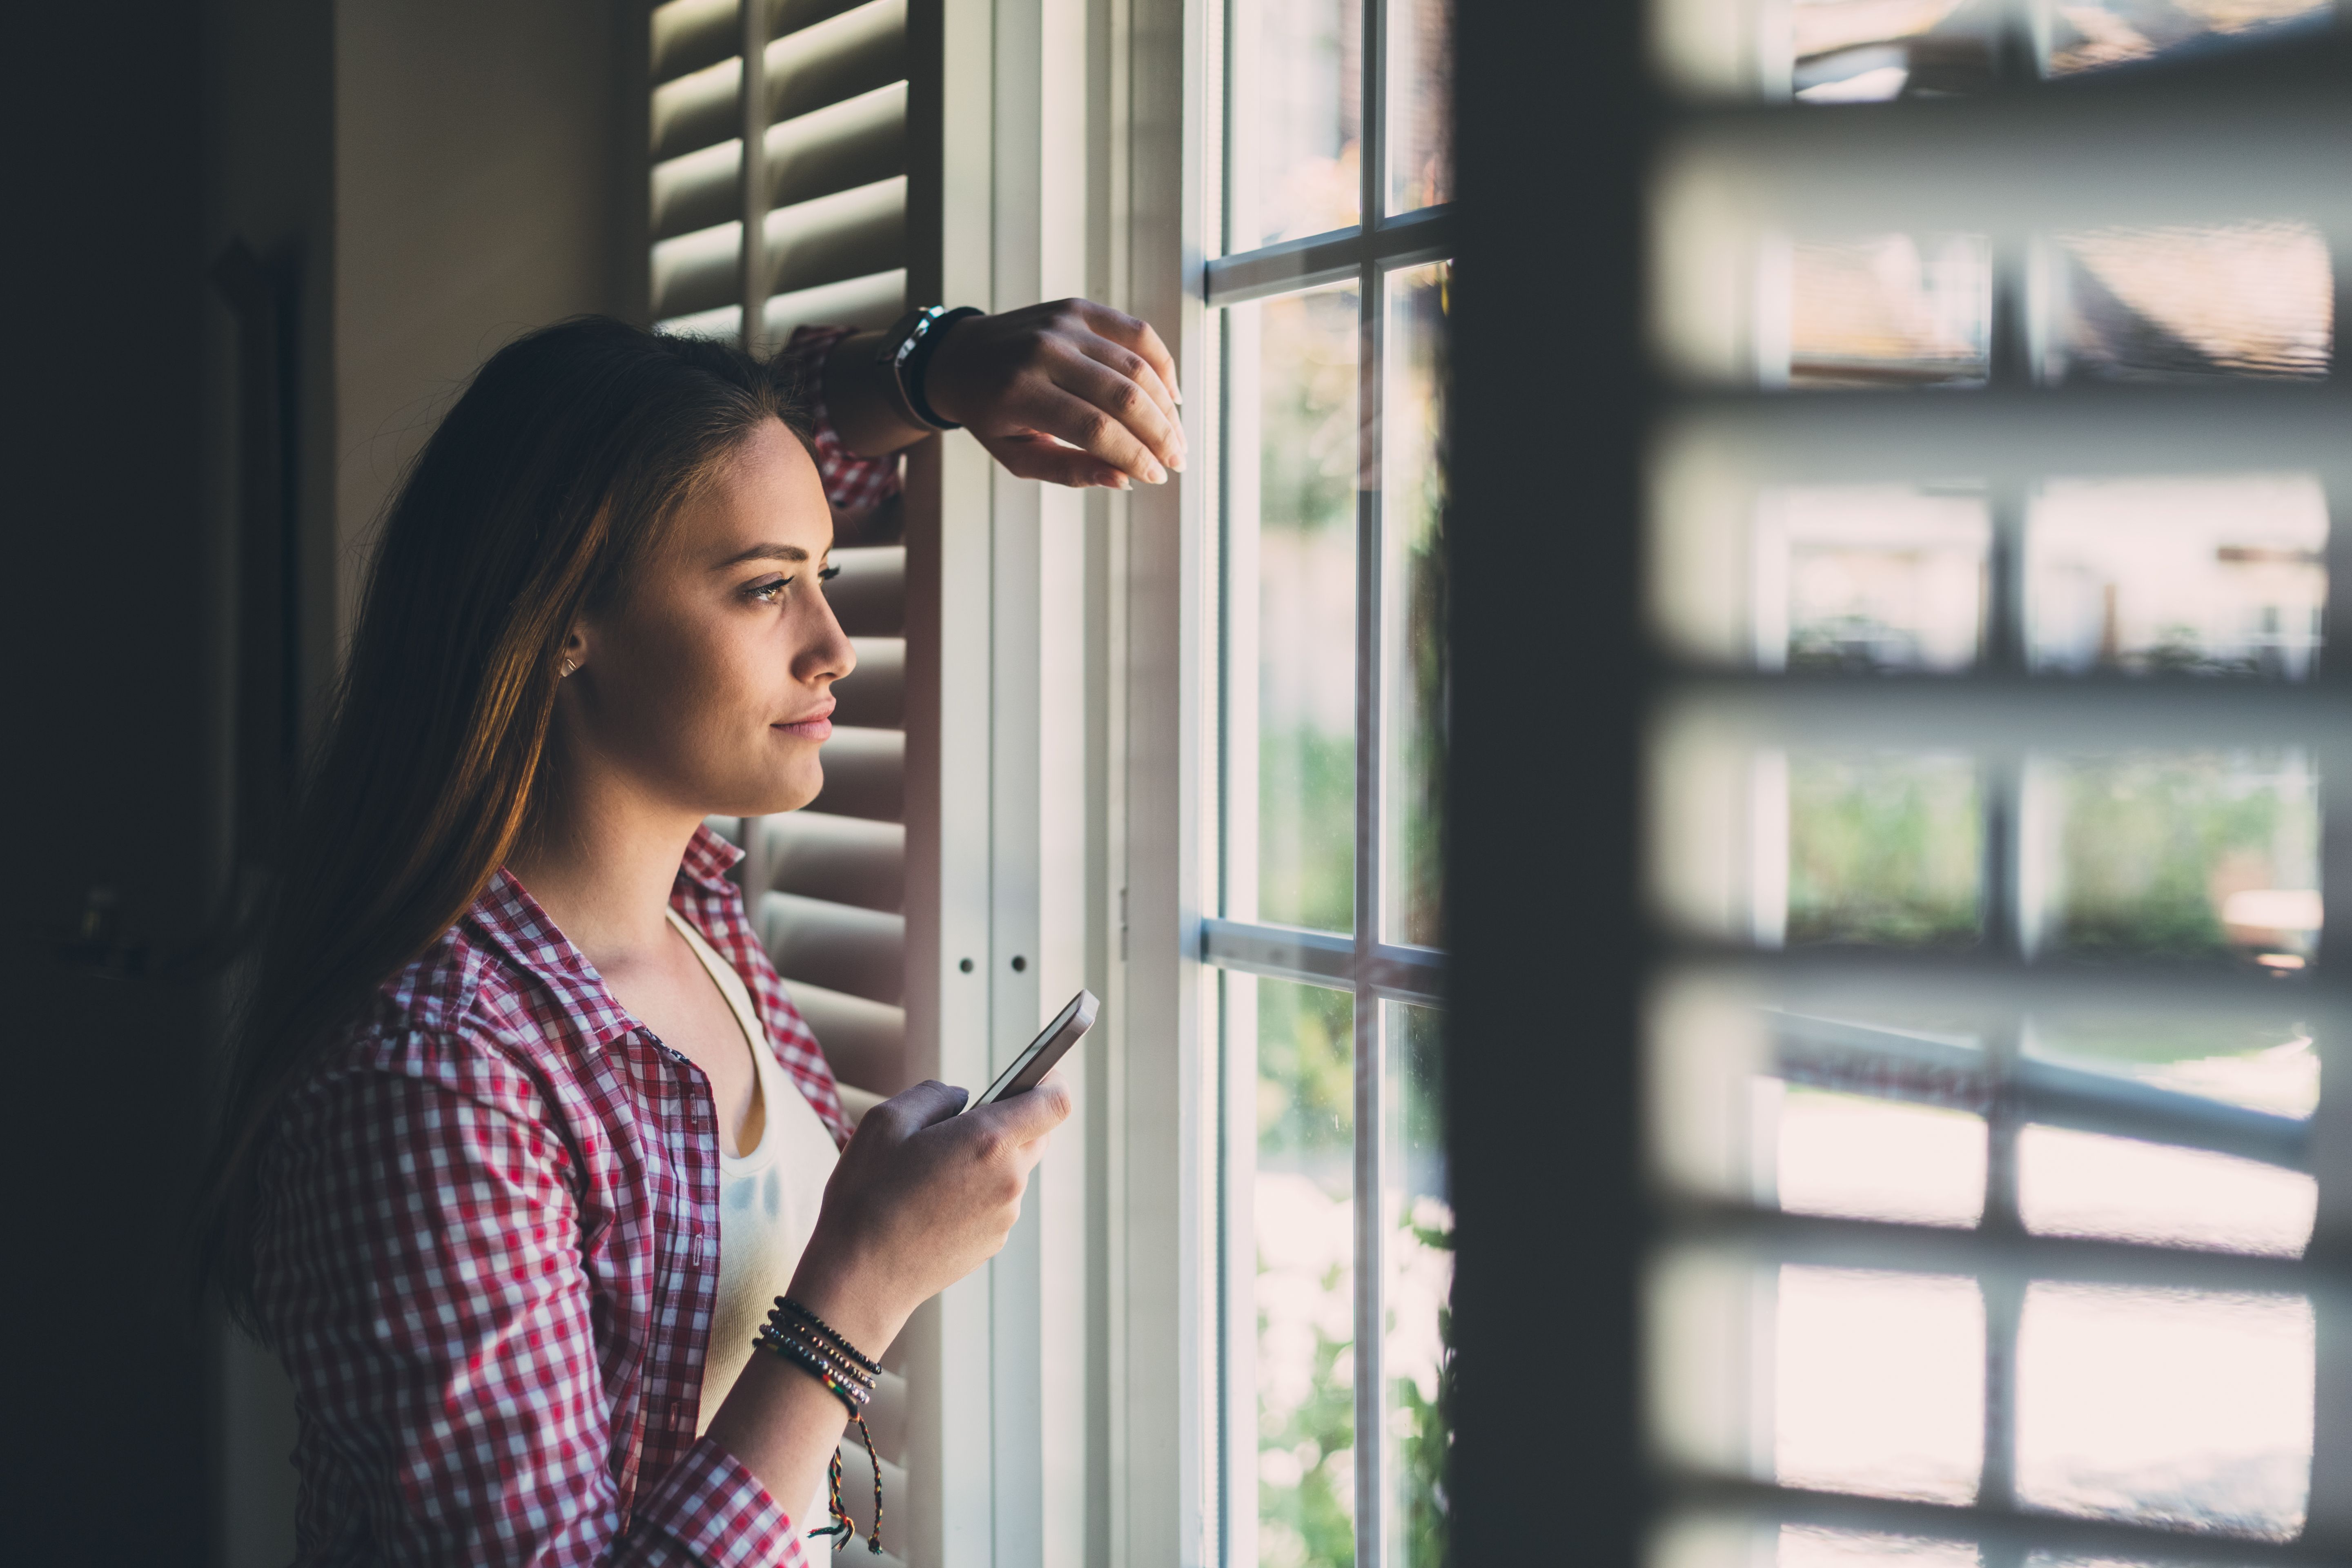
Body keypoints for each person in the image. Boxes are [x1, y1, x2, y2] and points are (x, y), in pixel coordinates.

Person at [194, 301, 1184, 1566]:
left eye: (824, 576)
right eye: (771, 590)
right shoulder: (437, 1079)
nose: (836, 649)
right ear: (563, 617)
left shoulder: (690, 905)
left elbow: (736, 458)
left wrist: (946, 369)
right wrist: (859, 1285)